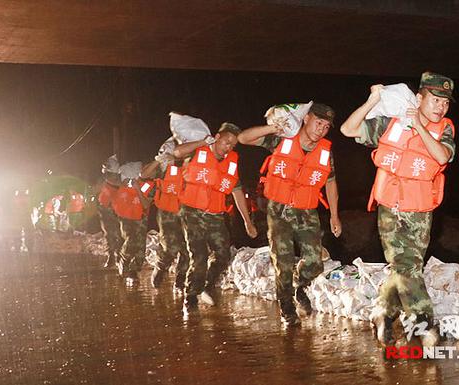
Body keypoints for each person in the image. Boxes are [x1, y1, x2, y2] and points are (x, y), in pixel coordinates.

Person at [340, 72, 456, 346]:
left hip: (420, 208)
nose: (441, 107)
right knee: (406, 267)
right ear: (419, 98)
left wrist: (419, 125)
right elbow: (348, 129)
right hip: (390, 206)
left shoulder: (445, 129)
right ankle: (425, 325)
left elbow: (442, 156)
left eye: (445, 102)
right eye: (435, 100)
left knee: (407, 267)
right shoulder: (391, 124)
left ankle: (382, 312)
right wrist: (372, 101)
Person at [238, 103, 342, 327]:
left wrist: (334, 215)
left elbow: (331, 182)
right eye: (318, 122)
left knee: (315, 262)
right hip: (279, 211)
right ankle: (286, 306)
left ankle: (298, 285)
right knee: (283, 261)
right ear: (306, 119)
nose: (321, 129)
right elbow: (243, 139)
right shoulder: (282, 140)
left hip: (307, 210)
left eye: (326, 126)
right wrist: (271, 128)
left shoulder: (325, 151)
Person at [174, 122, 258, 313]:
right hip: (192, 213)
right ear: (217, 137)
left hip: (216, 215)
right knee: (199, 255)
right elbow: (177, 152)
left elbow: (236, 190)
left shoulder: (232, 161)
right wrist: (200, 142)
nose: (228, 147)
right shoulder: (198, 150)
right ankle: (191, 296)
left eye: (233, 145)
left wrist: (248, 221)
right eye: (226, 142)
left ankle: (208, 285)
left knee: (223, 254)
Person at [141, 142, 190, 294]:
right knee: (171, 247)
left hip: (185, 213)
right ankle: (161, 267)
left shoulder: (185, 165)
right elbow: (143, 175)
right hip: (166, 213)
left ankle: (180, 281)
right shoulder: (161, 169)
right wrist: (159, 159)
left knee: (187, 249)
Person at [112, 171, 154, 284]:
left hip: (141, 219)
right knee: (131, 241)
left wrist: (137, 189)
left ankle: (134, 271)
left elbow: (145, 204)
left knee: (140, 248)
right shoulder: (125, 184)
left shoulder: (150, 186)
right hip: (127, 218)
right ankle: (123, 263)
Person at [97, 157, 124, 268]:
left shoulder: (119, 179)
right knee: (109, 234)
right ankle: (112, 256)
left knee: (119, 233)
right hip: (106, 209)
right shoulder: (105, 178)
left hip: (116, 209)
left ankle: (118, 256)